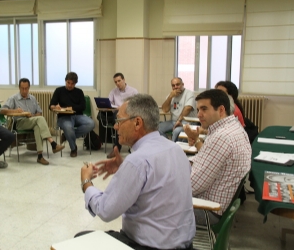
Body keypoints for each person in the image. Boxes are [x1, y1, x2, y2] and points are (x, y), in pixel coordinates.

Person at [79, 94, 195, 249]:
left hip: (147, 246)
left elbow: (105, 210)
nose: (115, 127)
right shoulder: (176, 149)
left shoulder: (138, 161)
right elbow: (157, 184)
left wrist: (86, 183)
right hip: (185, 245)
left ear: (137, 123)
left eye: (119, 121)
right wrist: (124, 168)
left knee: (79, 240)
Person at [183, 89, 251, 225]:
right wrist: (183, 165)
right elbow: (202, 159)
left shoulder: (221, 137)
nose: (199, 115)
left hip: (206, 210)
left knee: (149, 204)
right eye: (198, 110)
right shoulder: (233, 128)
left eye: (204, 109)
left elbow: (192, 186)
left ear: (221, 110)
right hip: (213, 204)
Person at [0, 78, 64, 165]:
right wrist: (15, 111)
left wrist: (33, 116)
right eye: (22, 88)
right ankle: (53, 143)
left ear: (29, 88)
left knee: (37, 126)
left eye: (26, 88)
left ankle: (40, 156)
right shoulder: (13, 98)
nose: (24, 90)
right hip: (20, 122)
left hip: (32, 121)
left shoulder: (33, 98)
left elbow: (39, 112)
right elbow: (2, 111)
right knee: (40, 119)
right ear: (19, 88)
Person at [49, 72, 95, 158]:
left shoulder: (79, 92)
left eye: (72, 84)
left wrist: (71, 107)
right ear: (65, 81)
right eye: (68, 83)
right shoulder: (59, 90)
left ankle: (67, 135)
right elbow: (51, 105)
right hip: (63, 117)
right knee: (68, 127)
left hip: (77, 116)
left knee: (91, 123)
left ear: (75, 83)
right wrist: (55, 107)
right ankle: (73, 149)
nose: (70, 85)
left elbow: (83, 106)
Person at [106, 72, 138, 158]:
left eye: (119, 81)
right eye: (115, 82)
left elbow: (136, 105)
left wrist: (124, 108)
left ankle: (116, 148)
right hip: (117, 113)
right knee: (117, 116)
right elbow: (109, 103)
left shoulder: (133, 91)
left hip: (129, 114)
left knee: (120, 120)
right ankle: (117, 148)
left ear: (124, 80)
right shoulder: (113, 91)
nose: (117, 83)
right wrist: (117, 107)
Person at [158, 77, 196, 142]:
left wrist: (179, 120)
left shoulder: (189, 93)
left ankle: (174, 149)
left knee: (176, 131)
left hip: (186, 122)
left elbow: (188, 108)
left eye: (177, 85)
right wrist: (170, 97)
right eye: (173, 85)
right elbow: (165, 109)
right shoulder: (171, 95)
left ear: (182, 84)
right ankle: (167, 145)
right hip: (173, 121)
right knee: (157, 128)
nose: (175, 87)